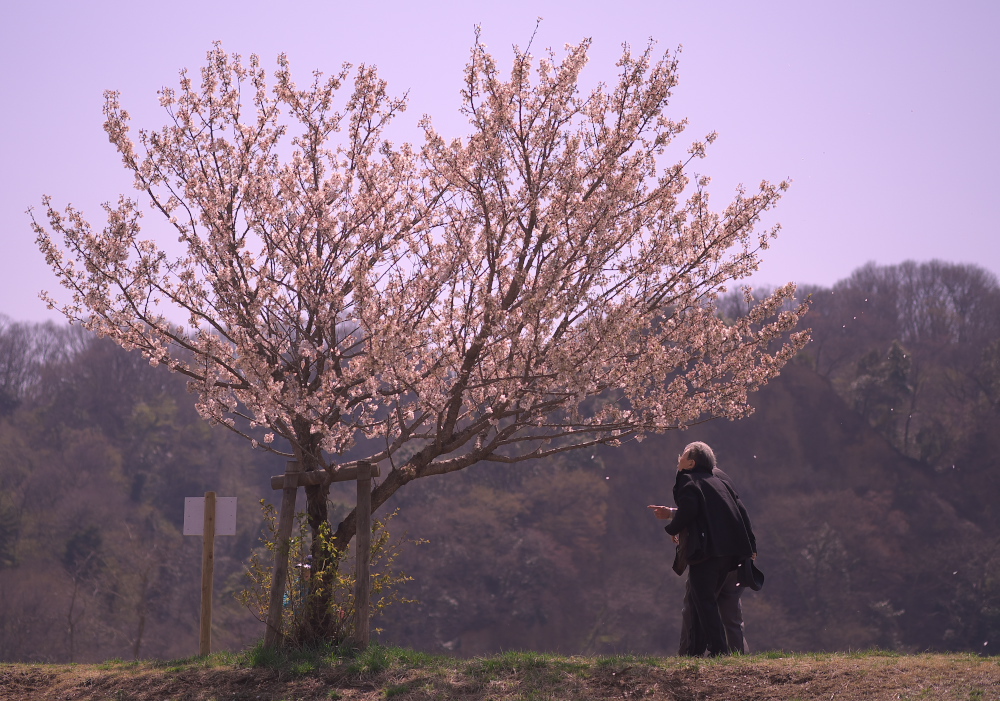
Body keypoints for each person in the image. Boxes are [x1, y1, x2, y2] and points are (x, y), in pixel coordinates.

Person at [648, 441, 756, 656]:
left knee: (701, 603)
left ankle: (713, 650)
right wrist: (750, 546)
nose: (679, 458)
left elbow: (690, 510)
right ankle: (720, 653)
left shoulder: (690, 481)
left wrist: (673, 528)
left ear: (691, 463)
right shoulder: (719, 481)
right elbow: (734, 511)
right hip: (732, 551)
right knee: (727, 611)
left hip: (707, 552)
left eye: (683, 455)